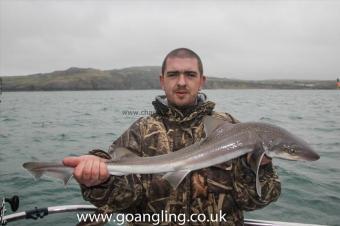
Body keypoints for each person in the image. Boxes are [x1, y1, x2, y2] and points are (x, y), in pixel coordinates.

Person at [63, 48, 281, 226]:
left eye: (190, 74)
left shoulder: (232, 129)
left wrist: (260, 166)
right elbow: (122, 201)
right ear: (162, 80)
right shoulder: (141, 131)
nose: (182, 82)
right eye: (173, 74)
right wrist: (100, 183)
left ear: (202, 81)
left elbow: (257, 201)